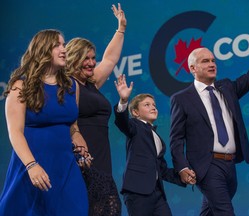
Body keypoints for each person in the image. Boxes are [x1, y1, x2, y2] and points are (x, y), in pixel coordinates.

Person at [169, 18, 249, 215]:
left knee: (210, 212)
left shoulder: (226, 87)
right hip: (207, 166)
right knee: (225, 212)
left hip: (230, 165)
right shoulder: (182, 99)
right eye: (205, 61)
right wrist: (182, 167)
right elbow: (176, 138)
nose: (212, 64)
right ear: (192, 69)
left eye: (213, 61)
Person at [0, 29, 88, 215]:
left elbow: (72, 124)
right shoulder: (21, 86)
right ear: (42, 50)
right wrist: (32, 165)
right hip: (33, 165)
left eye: (63, 44)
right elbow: (15, 132)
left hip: (66, 167)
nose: (63, 49)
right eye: (57, 45)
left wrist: (77, 135)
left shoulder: (72, 86)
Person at [65, 3, 126, 216]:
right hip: (80, 156)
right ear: (73, 58)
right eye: (86, 58)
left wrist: (121, 29)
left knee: (108, 209)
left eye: (93, 57)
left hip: (102, 158)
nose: (92, 63)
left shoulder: (92, 82)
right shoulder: (65, 86)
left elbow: (110, 58)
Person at [114, 74, 187, 216]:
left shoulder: (158, 139)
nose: (153, 107)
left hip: (157, 193)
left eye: (154, 105)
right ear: (135, 112)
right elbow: (123, 123)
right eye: (147, 105)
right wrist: (124, 100)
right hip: (137, 191)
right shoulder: (134, 126)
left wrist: (182, 176)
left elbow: (163, 170)